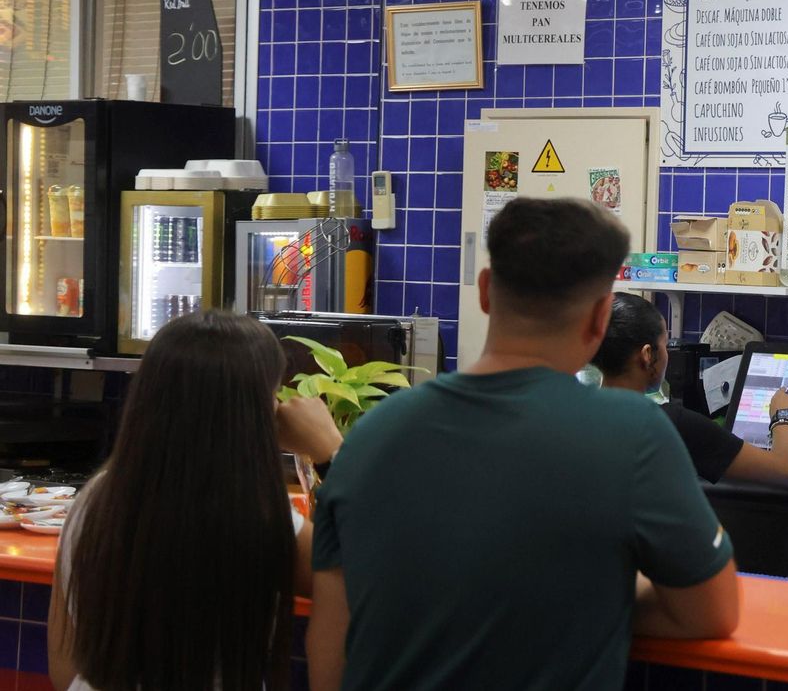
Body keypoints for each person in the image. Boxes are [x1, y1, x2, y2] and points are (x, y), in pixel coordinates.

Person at [307, 198, 738, 691]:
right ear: (601, 319)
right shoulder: (633, 433)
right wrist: (593, 592)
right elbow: (711, 613)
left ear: (486, 292)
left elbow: (330, 651)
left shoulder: (369, 434)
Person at [47, 309, 344, 691]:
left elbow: (62, 667)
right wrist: (331, 451)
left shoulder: (94, 501)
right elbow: (372, 573)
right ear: (255, 412)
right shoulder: (262, 517)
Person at [594, 293, 788, 486]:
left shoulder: (577, 413)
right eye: (665, 345)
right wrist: (782, 416)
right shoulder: (670, 424)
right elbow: (785, 471)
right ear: (648, 355)